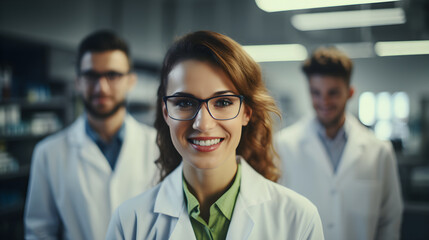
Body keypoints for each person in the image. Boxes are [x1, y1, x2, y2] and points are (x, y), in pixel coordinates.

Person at [105, 31, 324, 240]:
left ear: (246, 112)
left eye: (223, 102)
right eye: (185, 103)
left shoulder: (298, 219)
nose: (203, 124)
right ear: (166, 113)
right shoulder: (130, 222)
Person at [24, 30, 159, 240]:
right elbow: (39, 232)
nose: (101, 87)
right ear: (78, 81)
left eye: (112, 75)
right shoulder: (48, 153)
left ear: (130, 81)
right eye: (91, 76)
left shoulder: (158, 145)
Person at [275, 47, 403, 240]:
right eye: (316, 93)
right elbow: (277, 215)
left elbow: (389, 221)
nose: (324, 101)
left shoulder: (379, 151)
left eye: (333, 93)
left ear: (350, 92)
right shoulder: (284, 145)